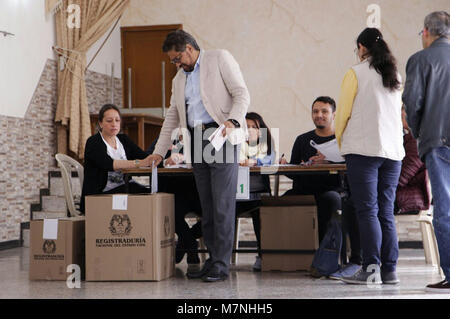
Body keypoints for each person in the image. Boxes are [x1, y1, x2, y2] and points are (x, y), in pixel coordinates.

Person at [146, 30, 250, 282]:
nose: (176, 64)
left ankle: (221, 265)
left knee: (223, 204)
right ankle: (213, 260)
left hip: (222, 134)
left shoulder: (219, 58)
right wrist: (159, 152)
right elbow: (172, 115)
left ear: (190, 49)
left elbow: (241, 94)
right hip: (197, 140)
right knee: (208, 206)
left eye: (177, 58)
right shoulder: (179, 79)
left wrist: (232, 121)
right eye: (173, 61)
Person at [335, 28, 404, 285]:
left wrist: (342, 143)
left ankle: (371, 269)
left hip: (363, 151)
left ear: (362, 48)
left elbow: (341, 114)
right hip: (393, 152)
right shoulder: (394, 74)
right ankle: (390, 271)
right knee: (386, 212)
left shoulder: (356, 73)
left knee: (367, 211)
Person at [280, 96, 362, 278]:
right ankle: (271, 256)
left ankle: (327, 260)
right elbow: (293, 171)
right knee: (275, 201)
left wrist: (328, 160)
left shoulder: (343, 139)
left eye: (324, 111)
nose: (319, 115)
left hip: (332, 188)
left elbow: (352, 167)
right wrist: (288, 165)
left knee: (331, 200)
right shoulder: (302, 140)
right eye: (316, 111)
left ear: (334, 114)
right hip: (305, 188)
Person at [402, 11, 450, 291]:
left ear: (426, 32)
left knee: (444, 209)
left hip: (439, 142)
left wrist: (419, 133)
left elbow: (412, 101)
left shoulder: (420, 60)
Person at [80, 104, 154, 213]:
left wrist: (163, 158)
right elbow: (109, 164)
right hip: (99, 195)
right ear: (100, 123)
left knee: (150, 191)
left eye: (117, 120)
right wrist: (140, 163)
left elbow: (144, 156)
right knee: (136, 190)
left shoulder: (124, 140)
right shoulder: (93, 142)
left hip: (124, 188)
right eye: (109, 121)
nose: (114, 124)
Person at [146, 138, 203, 271]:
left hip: (197, 191)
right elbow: (147, 159)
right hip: (173, 191)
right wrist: (165, 161)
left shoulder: (200, 139)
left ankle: (185, 243)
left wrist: (188, 159)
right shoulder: (163, 139)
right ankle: (191, 246)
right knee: (172, 213)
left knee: (215, 215)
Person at [238, 112, 274, 272]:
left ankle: (262, 255)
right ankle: (187, 241)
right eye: (246, 127)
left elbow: (270, 161)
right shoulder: (233, 146)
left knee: (260, 210)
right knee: (219, 214)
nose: (250, 130)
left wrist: (255, 161)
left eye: (254, 127)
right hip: (236, 198)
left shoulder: (266, 147)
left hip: (258, 197)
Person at [395, 107, 431, 214]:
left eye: (403, 110)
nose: (400, 114)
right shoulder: (415, 137)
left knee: (359, 204)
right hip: (408, 194)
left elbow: (403, 177)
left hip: (408, 197)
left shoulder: (416, 140)